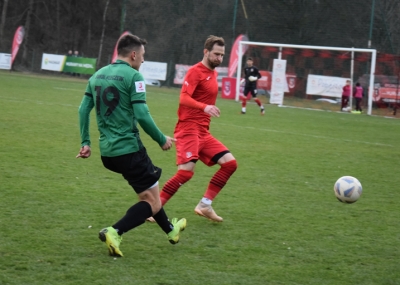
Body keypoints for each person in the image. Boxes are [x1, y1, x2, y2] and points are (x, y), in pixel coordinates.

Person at [76, 34, 186, 257]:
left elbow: (82, 110)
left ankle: (171, 230)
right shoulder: (134, 76)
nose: (143, 61)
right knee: (151, 202)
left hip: (108, 153)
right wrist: (161, 138)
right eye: (143, 56)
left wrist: (86, 143)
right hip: (129, 149)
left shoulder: (97, 75)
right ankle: (115, 231)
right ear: (134, 54)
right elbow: (142, 115)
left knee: (152, 194)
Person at [156, 35, 238, 222]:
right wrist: (204, 107)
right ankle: (155, 207)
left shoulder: (214, 73)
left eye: (222, 55)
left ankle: (205, 204)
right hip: (188, 129)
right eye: (216, 54)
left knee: (230, 164)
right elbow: (184, 98)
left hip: (203, 132)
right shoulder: (195, 72)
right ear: (206, 52)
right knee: (185, 172)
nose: (219, 58)